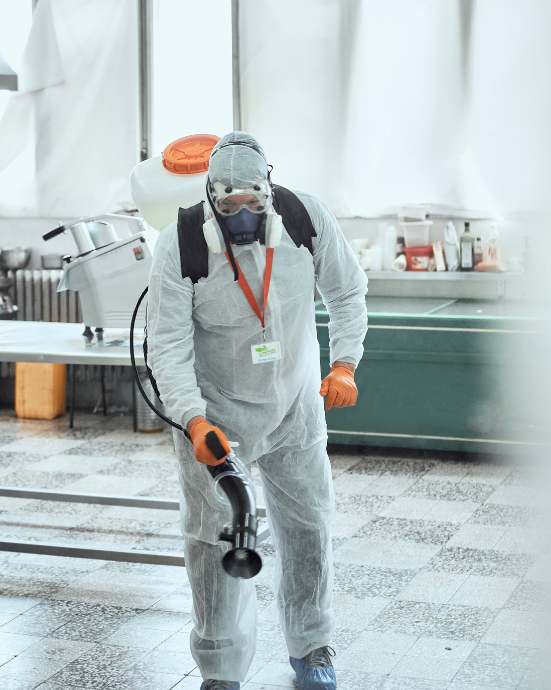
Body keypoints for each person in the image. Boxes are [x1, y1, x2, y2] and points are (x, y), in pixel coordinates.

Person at [147, 132, 368, 690]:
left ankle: (312, 647)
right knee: (213, 537)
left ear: (268, 191)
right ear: (210, 199)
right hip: (216, 413)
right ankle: (220, 669)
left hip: (293, 405)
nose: (242, 215)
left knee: (308, 526)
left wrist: (345, 363)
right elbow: (167, 343)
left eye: (253, 202)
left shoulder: (303, 218)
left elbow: (346, 291)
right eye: (229, 206)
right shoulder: (181, 244)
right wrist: (194, 421)